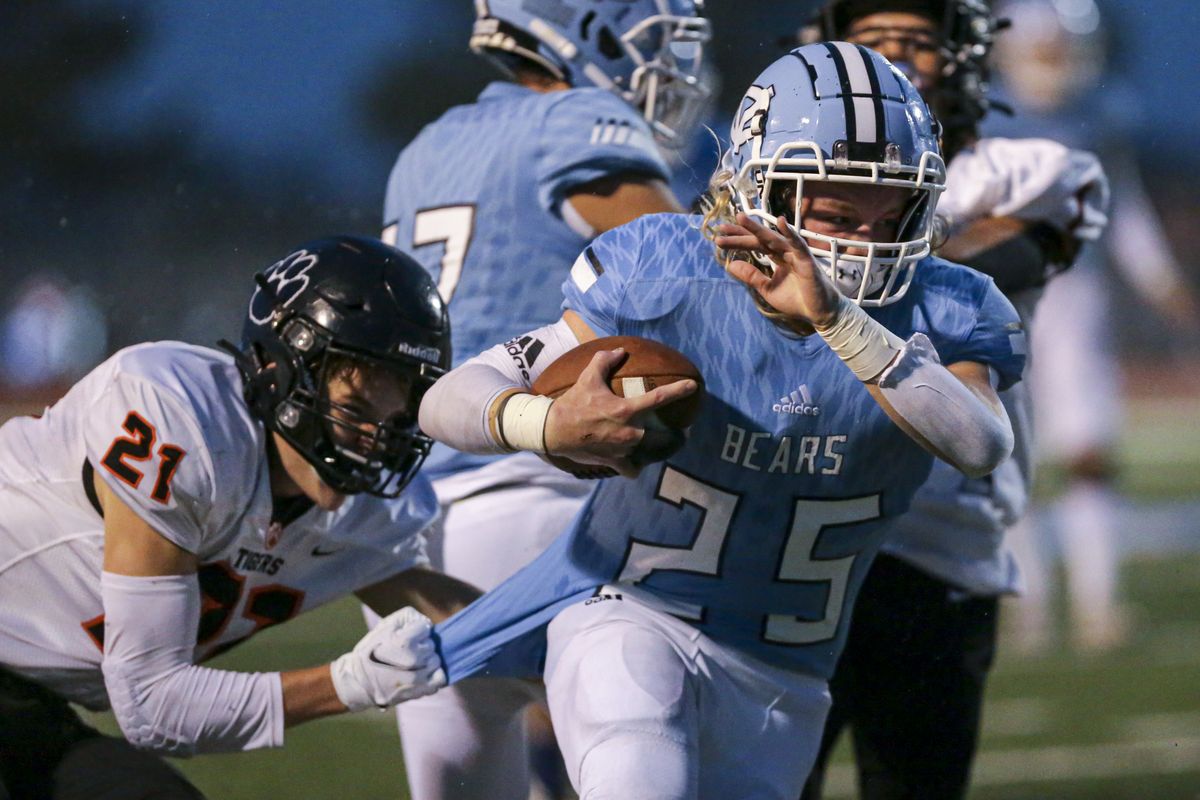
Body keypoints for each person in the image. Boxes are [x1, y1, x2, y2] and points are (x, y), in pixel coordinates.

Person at [418, 42, 1026, 799]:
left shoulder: (946, 306)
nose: (864, 242)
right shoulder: (671, 271)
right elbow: (447, 397)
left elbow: (980, 443)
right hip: (631, 618)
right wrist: (542, 422)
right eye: (837, 210)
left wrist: (840, 322)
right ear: (759, 194)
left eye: (891, 208)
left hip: (784, 680)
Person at [0, 236, 475, 799]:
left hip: (31, 708)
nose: (376, 442)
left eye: (397, 418)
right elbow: (153, 707)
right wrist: (349, 683)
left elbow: (470, 624)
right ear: (279, 369)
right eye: (355, 409)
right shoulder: (179, 417)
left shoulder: (370, 516)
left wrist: (585, 641)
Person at [380, 2, 710, 798]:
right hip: (551, 502)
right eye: (648, 42)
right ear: (583, 32)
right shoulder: (580, 119)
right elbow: (690, 282)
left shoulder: (426, 145)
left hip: (419, 526)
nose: (666, 66)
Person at [793, 2, 1110, 798]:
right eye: (872, 43)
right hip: (796, 536)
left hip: (938, 538)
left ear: (962, 60)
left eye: (915, 42)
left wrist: (861, 244)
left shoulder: (1024, 168)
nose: (895, 60)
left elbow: (994, 266)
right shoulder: (784, 179)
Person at [987, 0, 1200, 654]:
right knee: (1003, 459)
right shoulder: (982, 114)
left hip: (1077, 304)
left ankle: (1097, 600)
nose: (1056, 63)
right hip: (1001, 300)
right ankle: (1026, 601)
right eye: (1045, 50)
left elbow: (1123, 208)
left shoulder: (1099, 113)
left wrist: (1164, 284)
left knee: (1089, 454)